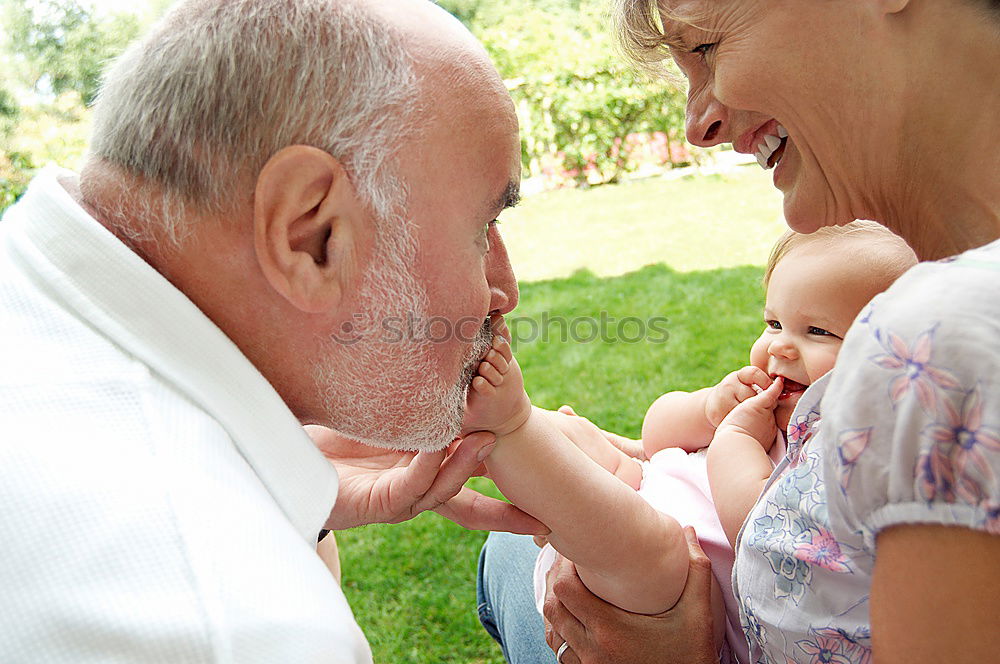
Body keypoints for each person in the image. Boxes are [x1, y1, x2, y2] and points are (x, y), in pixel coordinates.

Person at [0, 0, 547, 660]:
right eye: (483, 227)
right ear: (309, 234)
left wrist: (279, 485)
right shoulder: (236, 624)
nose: (505, 290)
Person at [480, 0, 1000, 662]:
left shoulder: (936, 345)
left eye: (706, 48)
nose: (699, 125)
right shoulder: (918, 330)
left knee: (505, 550)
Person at [473, 222, 915, 663]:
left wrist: (736, 436)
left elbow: (760, 526)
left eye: (818, 332)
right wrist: (709, 409)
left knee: (645, 549)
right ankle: (482, 432)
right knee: (580, 440)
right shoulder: (774, 401)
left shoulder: (853, 451)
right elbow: (655, 435)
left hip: (672, 603)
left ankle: (511, 428)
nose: (780, 347)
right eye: (774, 322)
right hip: (641, 490)